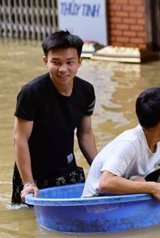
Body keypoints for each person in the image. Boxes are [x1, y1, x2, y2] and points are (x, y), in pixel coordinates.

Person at [12, 30, 98, 204]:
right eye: (56, 62)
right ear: (46, 62)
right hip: (33, 173)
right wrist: (28, 182)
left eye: (70, 62)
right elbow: (20, 138)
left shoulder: (86, 91)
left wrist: (101, 170)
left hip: (67, 169)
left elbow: (85, 134)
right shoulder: (31, 93)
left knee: (78, 214)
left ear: (79, 62)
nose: (63, 69)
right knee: (29, 222)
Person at [82, 87, 160, 200]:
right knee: (140, 181)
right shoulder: (129, 143)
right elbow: (106, 183)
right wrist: (152, 187)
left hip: (124, 185)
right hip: (97, 199)